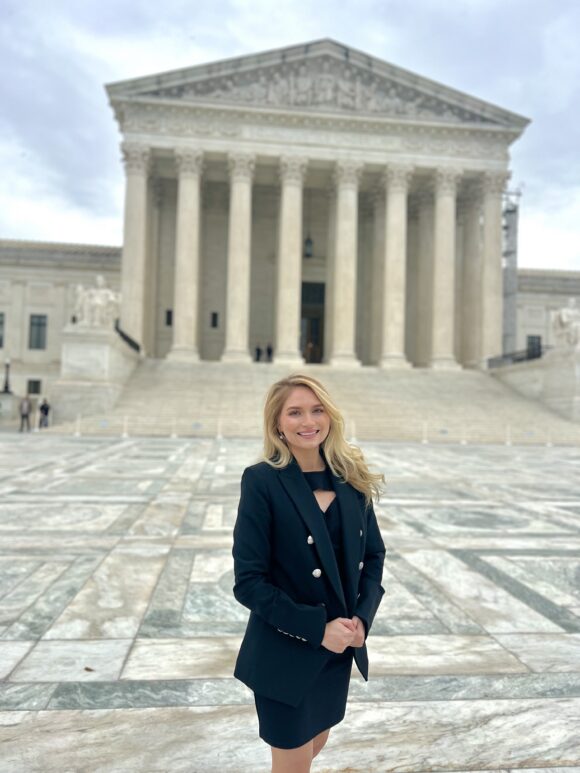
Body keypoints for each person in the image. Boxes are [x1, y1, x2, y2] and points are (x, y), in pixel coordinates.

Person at [232, 374, 386, 772]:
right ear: (277, 424)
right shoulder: (262, 481)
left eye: (317, 410)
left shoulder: (352, 479)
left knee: (314, 744)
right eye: (295, 412)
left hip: (336, 654)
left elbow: (374, 555)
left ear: (330, 416)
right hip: (284, 651)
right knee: (293, 764)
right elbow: (249, 582)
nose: (308, 421)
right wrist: (317, 629)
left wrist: (362, 619)